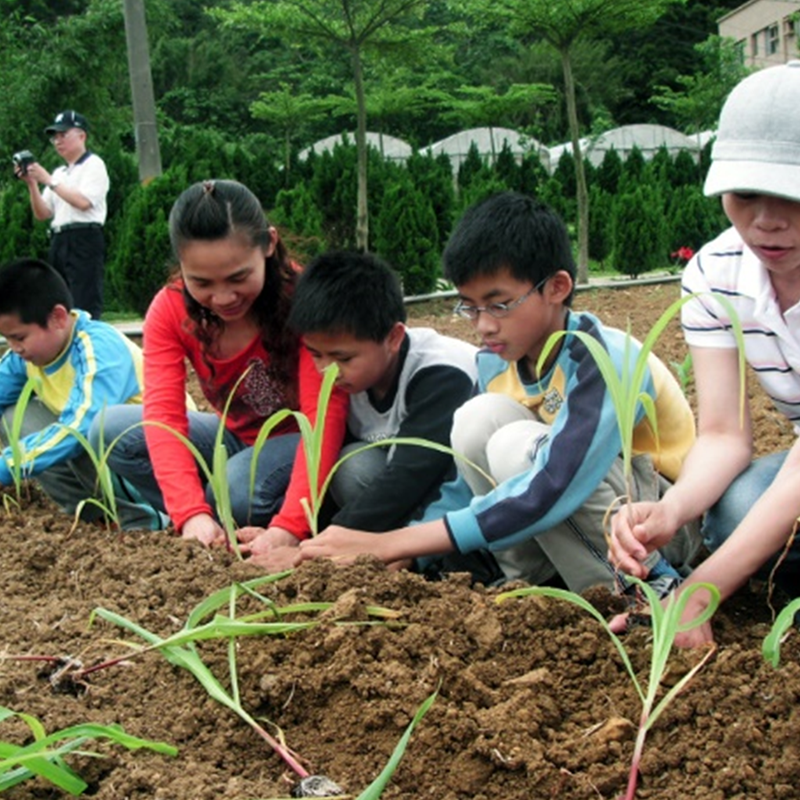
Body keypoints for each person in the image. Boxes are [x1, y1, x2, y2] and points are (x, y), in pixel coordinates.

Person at [298, 191, 700, 594]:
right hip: (575, 517)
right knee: (476, 419)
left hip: (658, 522)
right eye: (469, 307)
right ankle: (534, 582)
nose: (483, 326)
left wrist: (390, 541)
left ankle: (639, 586)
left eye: (499, 305)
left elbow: (559, 479)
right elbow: (462, 482)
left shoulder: (604, 357)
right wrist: (413, 549)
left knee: (513, 444)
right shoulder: (494, 364)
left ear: (557, 287)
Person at [608, 61, 800, 646]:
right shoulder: (716, 272)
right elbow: (722, 434)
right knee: (735, 509)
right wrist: (672, 511)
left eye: (793, 195)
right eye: (745, 195)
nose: (767, 222)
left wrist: (702, 589)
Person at [93, 180, 348, 556]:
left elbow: (324, 417)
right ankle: (208, 522)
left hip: (303, 441)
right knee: (110, 431)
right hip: (235, 440)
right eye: (201, 282)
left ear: (269, 245)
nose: (223, 298)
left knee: (236, 491)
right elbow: (164, 417)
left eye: (238, 277)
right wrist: (189, 513)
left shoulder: (305, 299)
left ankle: (276, 517)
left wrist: (290, 527)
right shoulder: (169, 311)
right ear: (181, 266)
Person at [239, 250, 480, 569]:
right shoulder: (347, 381)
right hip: (411, 496)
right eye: (315, 354)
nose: (326, 371)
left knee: (356, 468)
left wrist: (310, 555)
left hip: (463, 501)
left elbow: (411, 475)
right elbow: (319, 460)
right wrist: (289, 533)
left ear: (393, 337)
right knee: (350, 466)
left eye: (343, 358)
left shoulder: (442, 373)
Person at [0, 258, 163, 530]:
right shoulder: (25, 358)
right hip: (98, 447)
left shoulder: (98, 349)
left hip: (154, 453)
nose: (15, 348)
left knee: (88, 433)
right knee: (14, 417)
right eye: (8, 340)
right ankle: (94, 516)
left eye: (20, 337)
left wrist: (7, 466)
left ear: (58, 318)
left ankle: (144, 521)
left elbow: (80, 427)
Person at [15, 110, 109, 320]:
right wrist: (32, 184)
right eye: (55, 137)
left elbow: (84, 202)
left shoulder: (94, 164)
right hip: (59, 239)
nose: (58, 141)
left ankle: (87, 343)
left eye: (63, 135)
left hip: (84, 237)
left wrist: (48, 181)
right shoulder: (60, 173)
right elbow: (43, 213)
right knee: (60, 299)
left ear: (81, 135)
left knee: (84, 301)